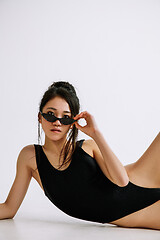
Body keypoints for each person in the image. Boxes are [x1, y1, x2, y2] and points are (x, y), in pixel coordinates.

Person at [0, 81, 160, 230]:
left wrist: (96, 134)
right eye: (50, 114)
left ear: (72, 123)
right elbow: (9, 208)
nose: (57, 122)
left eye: (65, 117)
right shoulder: (30, 157)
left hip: (141, 178)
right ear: (40, 117)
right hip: (140, 213)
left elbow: (122, 181)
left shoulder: (88, 146)